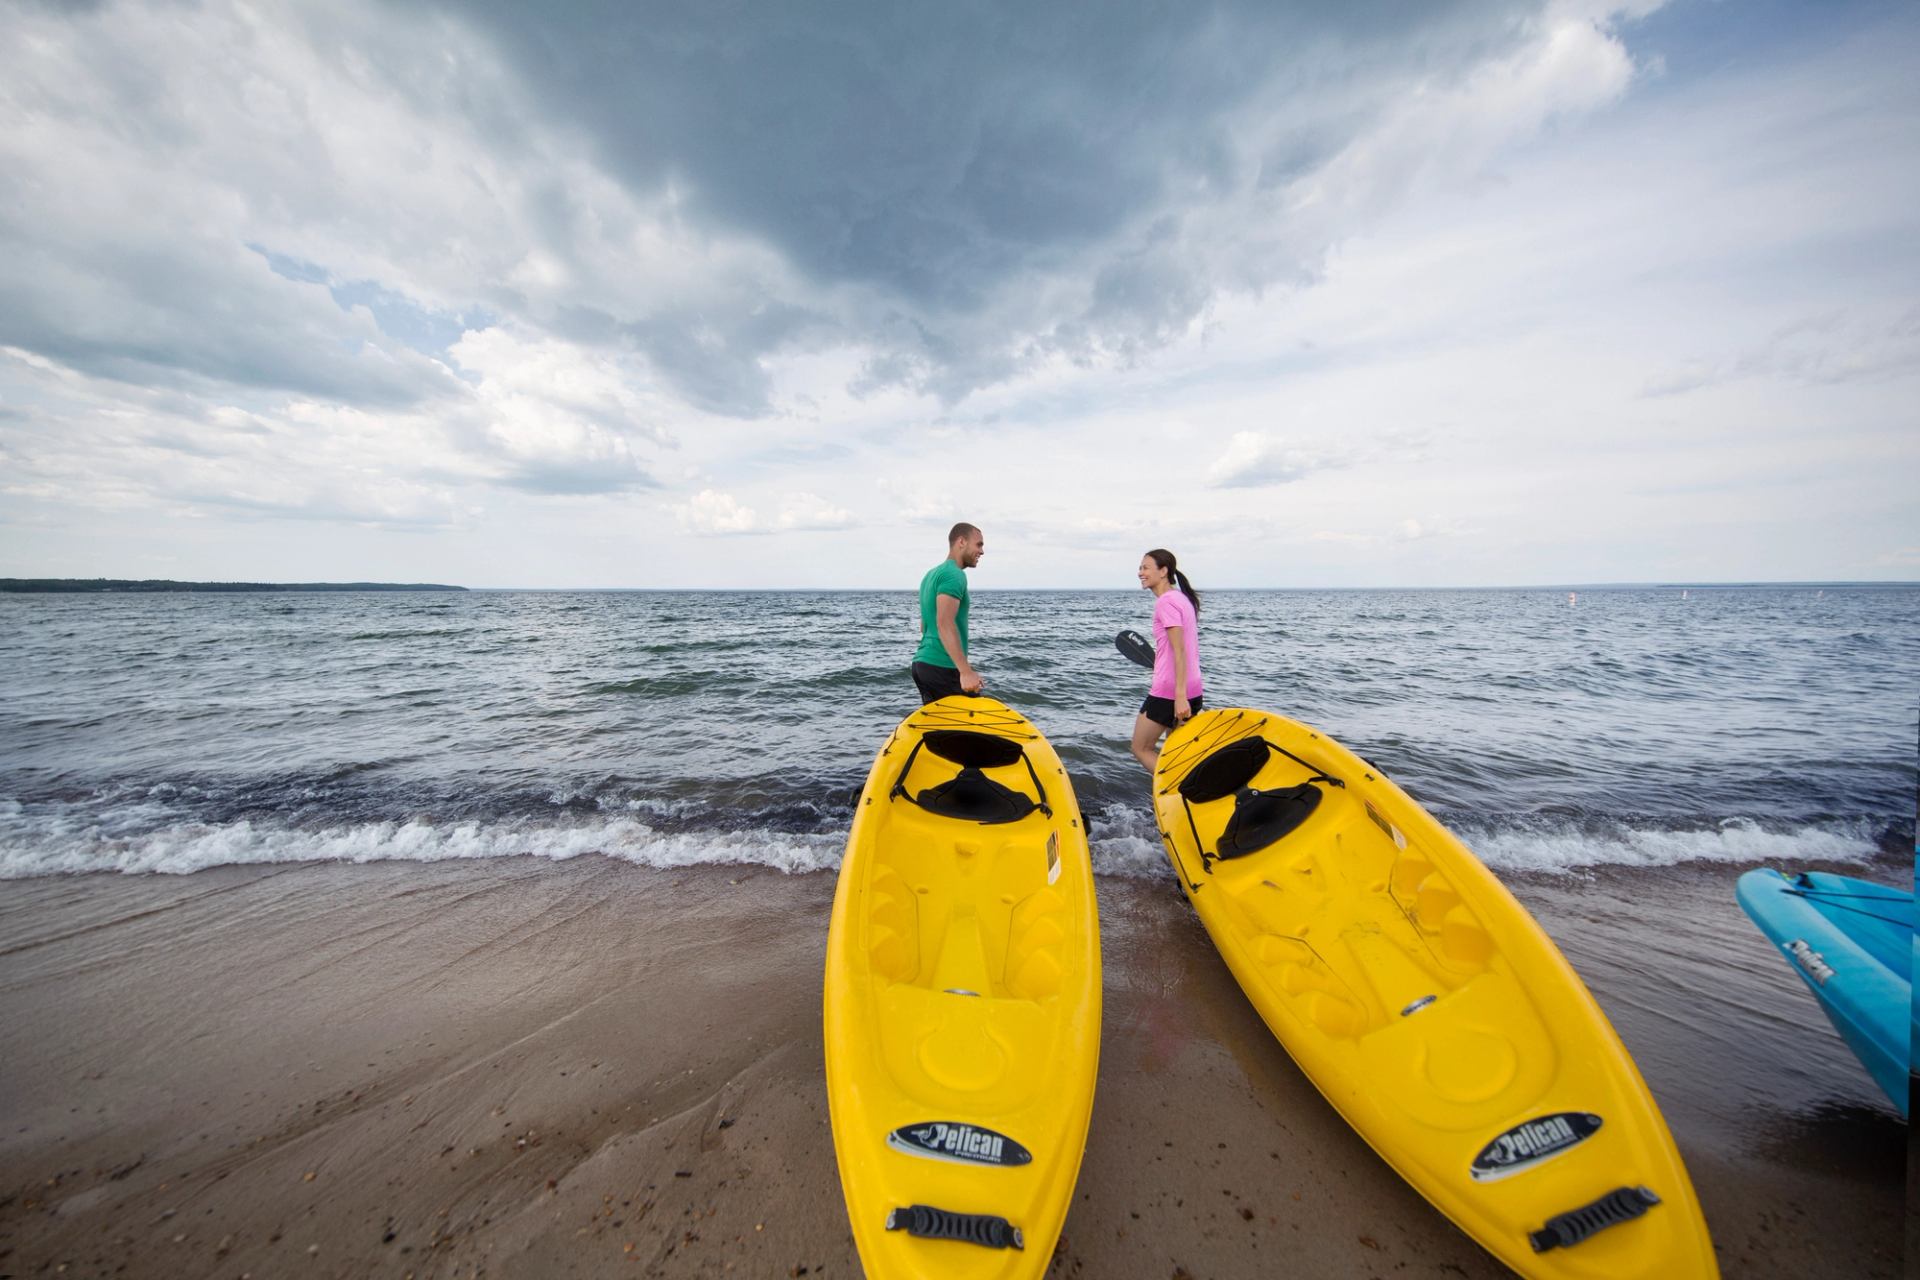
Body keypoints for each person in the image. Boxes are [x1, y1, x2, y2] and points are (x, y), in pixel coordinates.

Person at [1130, 548, 1203, 771]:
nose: (1140, 572)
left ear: (1163, 571)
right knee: (1175, 753)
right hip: (1193, 689)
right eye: (1140, 568)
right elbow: (1178, 650)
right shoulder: (1181, 599)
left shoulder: (1165, 602)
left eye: (1145, 567)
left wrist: (1179, 697)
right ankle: (1180, 797)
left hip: (1170, 693)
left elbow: (1179, 650)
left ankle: (1176, 788)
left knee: (1140, 748)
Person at [911, 523, 985, 704]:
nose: (982, 551)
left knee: (940, 727)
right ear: (961, 542)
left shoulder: (931, 575)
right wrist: (965, 671)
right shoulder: (954, 574)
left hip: (922, 665)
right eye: (979, 544)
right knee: (973, 725)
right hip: (941, 667)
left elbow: (924, 626)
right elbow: (944, 623)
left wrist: (964, 668)